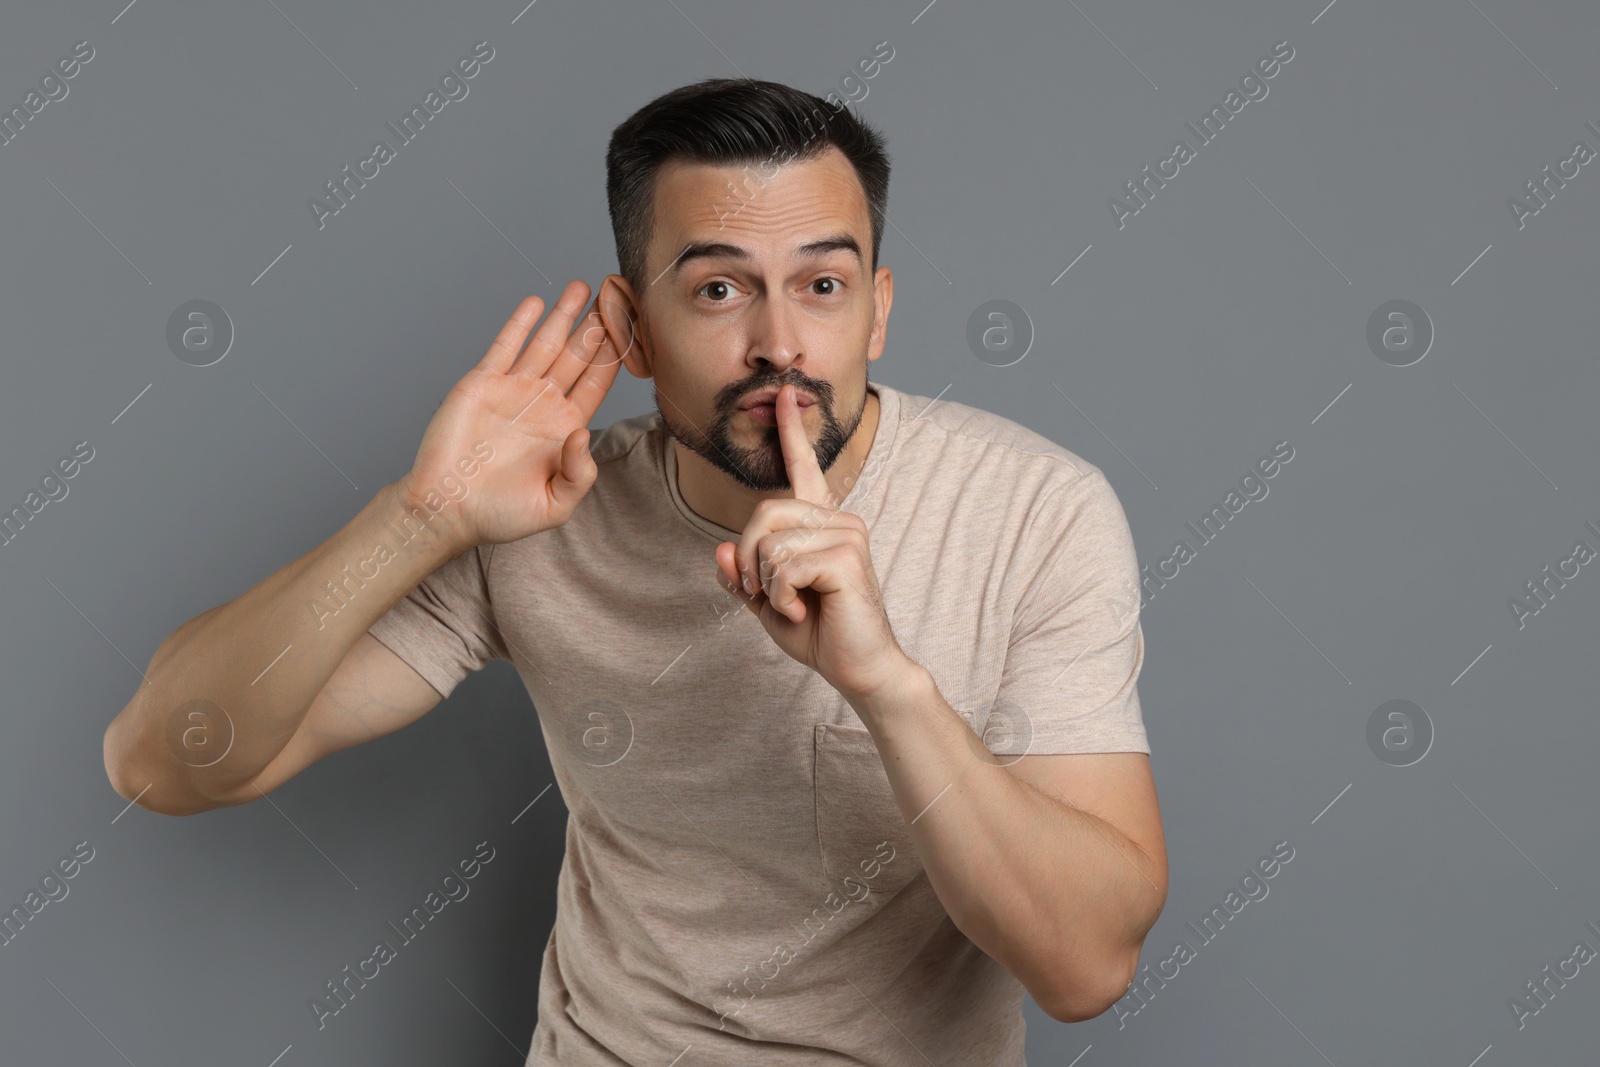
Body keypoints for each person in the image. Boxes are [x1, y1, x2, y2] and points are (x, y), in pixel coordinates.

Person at [103, 77, 1167, 1065]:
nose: (778, 342)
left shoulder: (1037, 509)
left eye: (823, 283)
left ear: (877, 309)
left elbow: (1084, 968)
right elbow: (165, 761)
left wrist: (885, 683)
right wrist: (417, 518)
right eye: (716, 289)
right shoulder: (538, 509)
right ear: (633, 328)